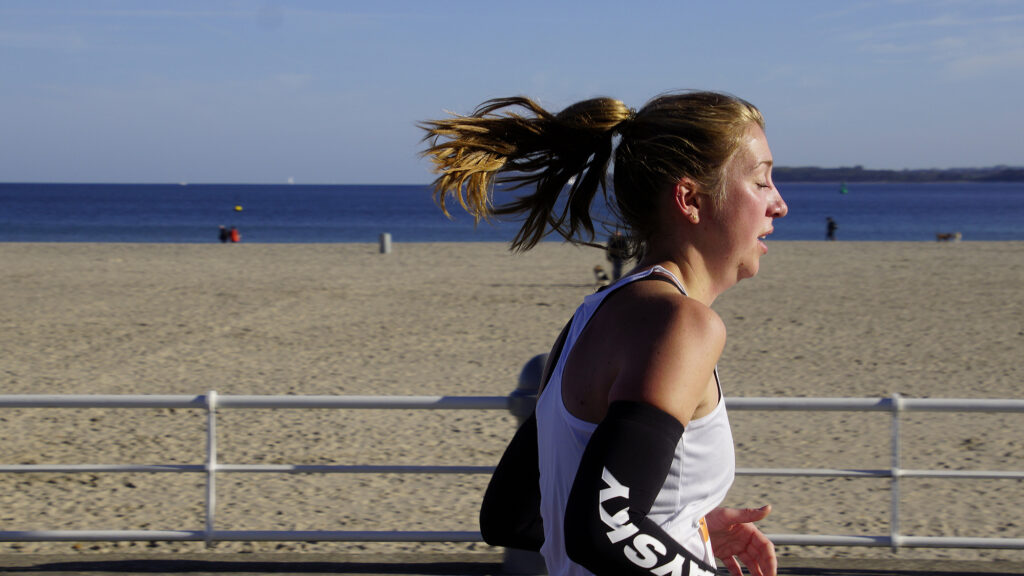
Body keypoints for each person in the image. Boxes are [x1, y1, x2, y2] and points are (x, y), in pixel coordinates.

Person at [421, 91, 786, 576]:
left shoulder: (590, 318)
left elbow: (512, 516)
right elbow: (603, 526)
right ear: (691, 199)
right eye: (761, 180)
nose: (778, 204)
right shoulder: (681, 324)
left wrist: (681, 530)